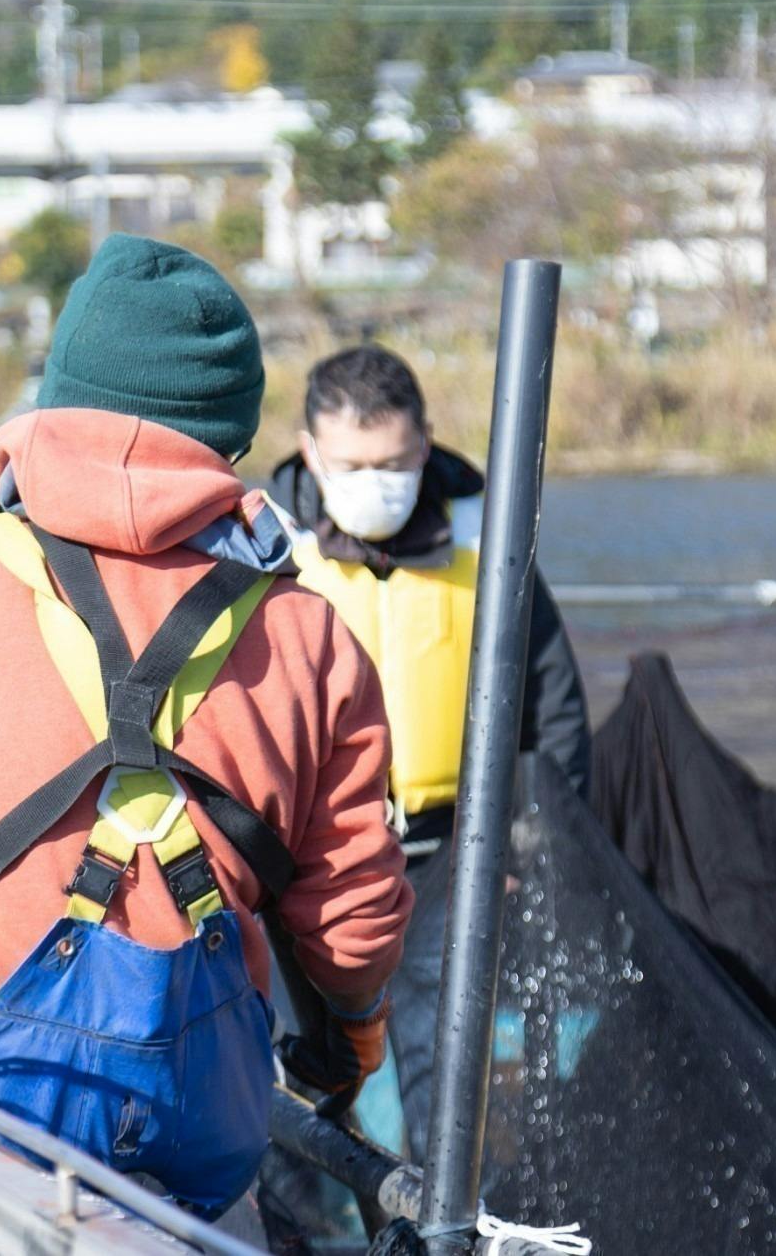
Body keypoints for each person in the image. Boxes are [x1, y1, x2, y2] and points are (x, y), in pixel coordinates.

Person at [0, 235, 411, 1217]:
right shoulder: (306, 630)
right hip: (206, 1107)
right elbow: (352, 918)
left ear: (53, 404)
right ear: (227, 435)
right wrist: (349, 1044)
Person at [266, 342, 590, 1161]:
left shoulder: (490, 535)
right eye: (353, 463)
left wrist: (538, 833)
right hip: (315, 856)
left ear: (427, 441)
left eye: (397, 460)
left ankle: (445, 1224)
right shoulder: (266, 549)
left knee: (446, 1069)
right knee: (303, 1065)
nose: (377, 480)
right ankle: (318, 1226)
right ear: (310, 452)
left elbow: (552, 697)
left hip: (454, 849)